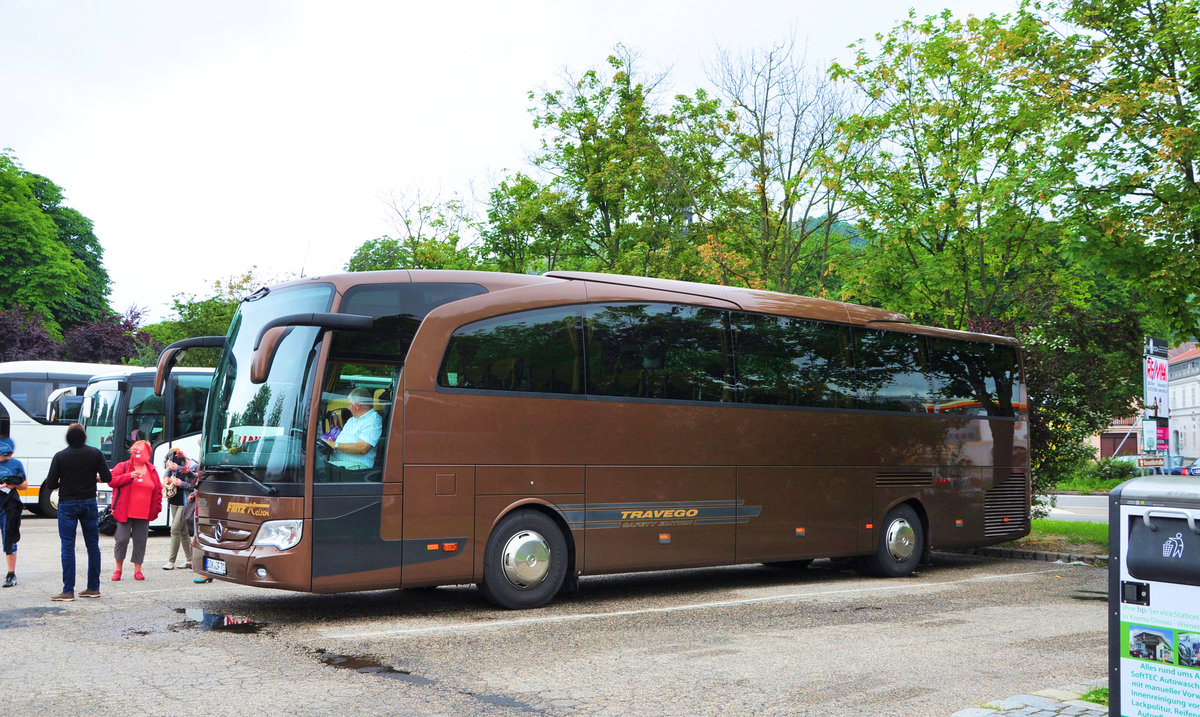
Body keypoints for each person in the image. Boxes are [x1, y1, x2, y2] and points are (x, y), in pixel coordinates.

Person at [43, 423, 112, 601]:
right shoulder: (95, 453)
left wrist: (64, 483)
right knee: (92, 545)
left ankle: (68, 591)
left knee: (67, 546)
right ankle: (93, 587)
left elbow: (50, 484)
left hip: (67, 504)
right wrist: (93, 478)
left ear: (67, 438)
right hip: (89, 502)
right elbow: (107, 477)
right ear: (85, 437)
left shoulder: (60, 457)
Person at [109, 439, 162, 581]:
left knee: (140, 540)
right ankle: (118, 569)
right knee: (122, 539)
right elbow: (111, 480)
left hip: (143, 512)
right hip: (124, 510)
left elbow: (158, 490)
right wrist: (129, 476)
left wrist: (157, 507)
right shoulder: (123, 466)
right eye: (135, 449)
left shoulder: (152, 470)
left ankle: (138, 570)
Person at [162, 447, 199, 570]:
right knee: (183, 532)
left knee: (175, 529)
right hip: (174, 500)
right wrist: (166, 478)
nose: (173, 465)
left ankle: (171, 561)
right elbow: (168, 471)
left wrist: (180, 483)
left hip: (186, 502)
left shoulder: (192, 466)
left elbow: (195, 485)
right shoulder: (173, 465)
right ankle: (190, 559)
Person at [330, 387, 382, 469]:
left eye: (350, 404)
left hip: (356, 465)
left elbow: (363, 448)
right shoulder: (352, 419)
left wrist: (336, 445)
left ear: (358, 405)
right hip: (338, 461)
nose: (348, 408)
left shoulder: (373, 420)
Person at [0, 436, 26, 589]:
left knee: (9, 538)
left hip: (9, 506)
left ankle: (11, 574)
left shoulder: (16, 464)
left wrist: (12, 484)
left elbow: (24, 485)